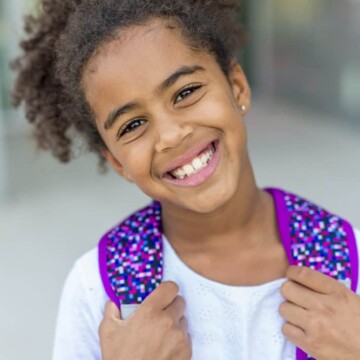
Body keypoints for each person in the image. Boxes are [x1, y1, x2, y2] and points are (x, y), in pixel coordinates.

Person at [12, 0, 360, 359]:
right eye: (132, 125)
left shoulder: (349, 263)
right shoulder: (97, 291)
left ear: (237, 87)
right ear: (117, 162)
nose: (171, 135)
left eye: (186, 92)